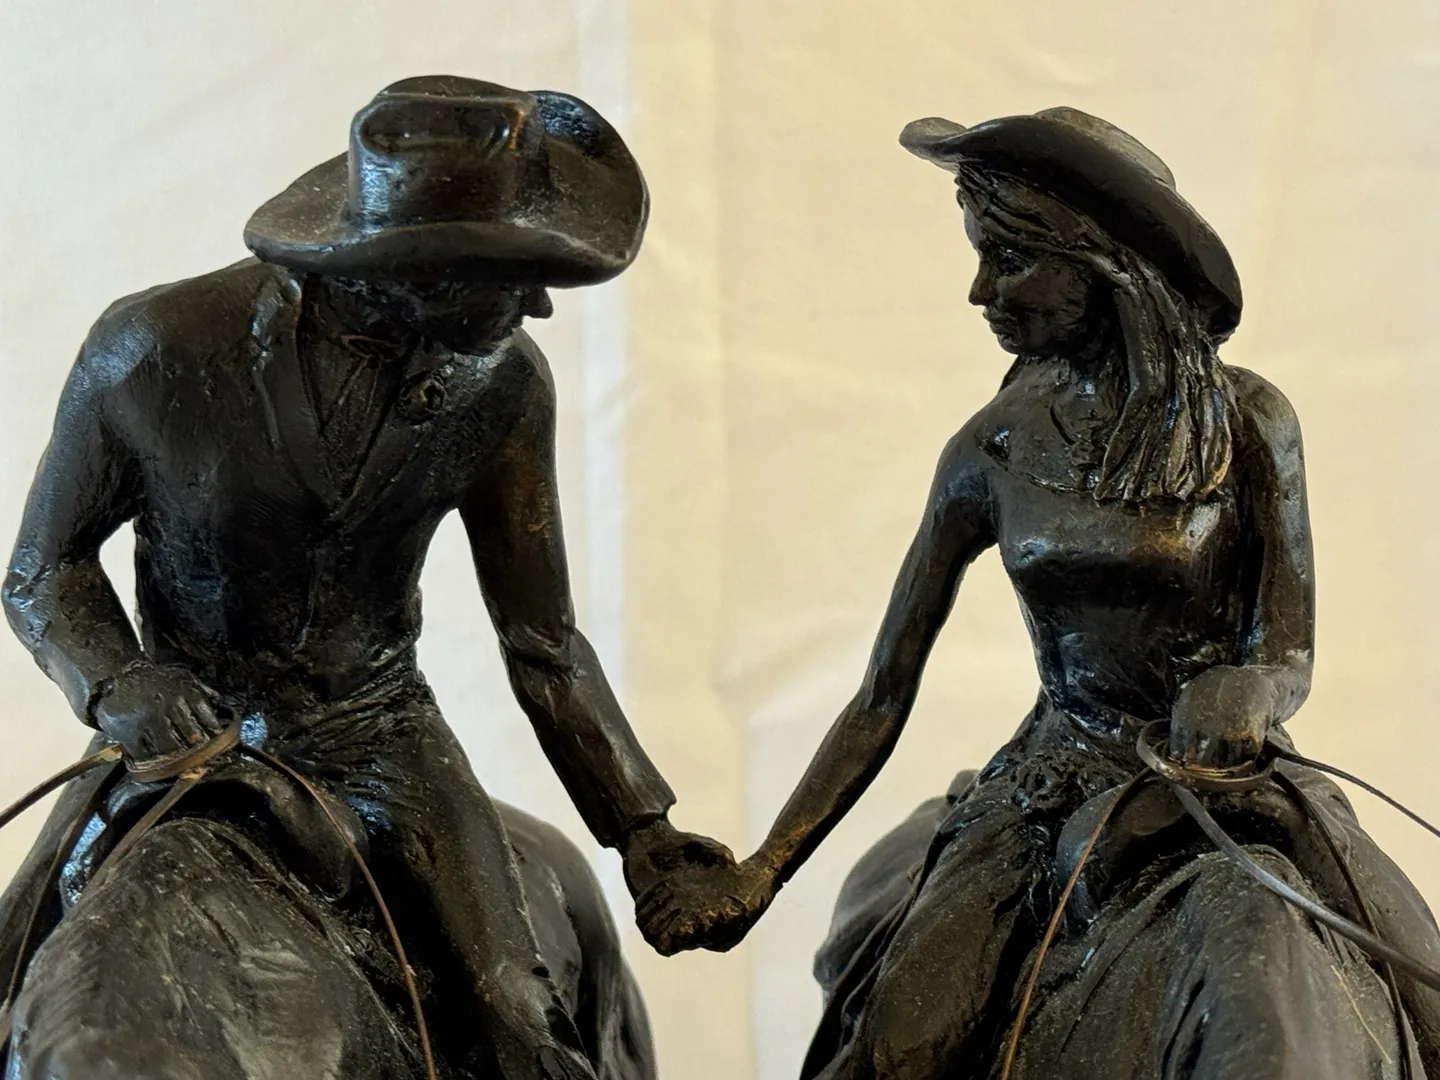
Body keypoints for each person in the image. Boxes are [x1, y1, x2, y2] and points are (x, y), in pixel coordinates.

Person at [634, 108, 1440, 1078]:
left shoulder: (1249, 421)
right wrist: (765, 869)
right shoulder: (991, 446)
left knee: (1423, 986)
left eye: (1009, 260)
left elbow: (1287, 651)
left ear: (1100, 265)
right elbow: (882, 692)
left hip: (1219, 774)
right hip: (1051, 782)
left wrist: (1249, 690)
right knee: (903, 1045)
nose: (980, 291)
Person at [1, 75, 724, 1080]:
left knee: (514, 1012)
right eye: (509, 276)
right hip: (186, 739)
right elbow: (44, 569)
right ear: (410, 270)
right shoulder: (155, 352)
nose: (540, 304)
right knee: (27, 974)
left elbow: (543, 644)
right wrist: (120, 682)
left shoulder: (504, 386)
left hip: (380, 736)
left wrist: (644, 831)